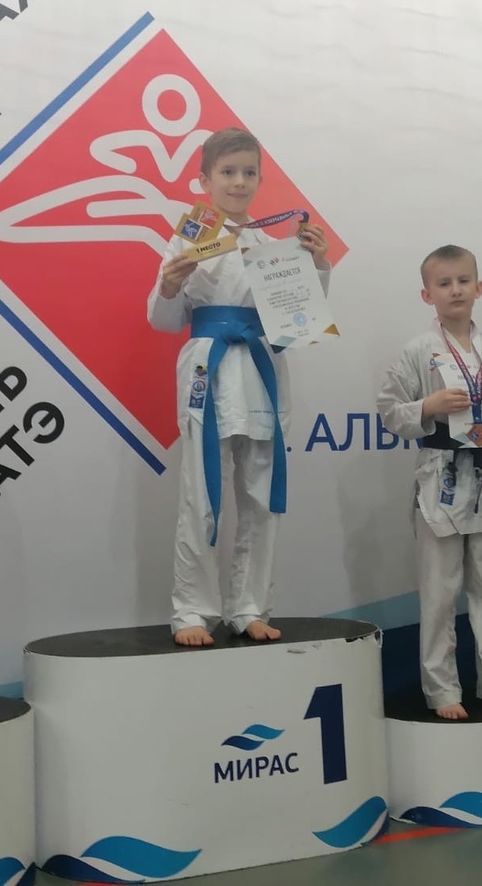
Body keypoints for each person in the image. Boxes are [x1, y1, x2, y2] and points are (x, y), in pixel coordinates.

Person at [147, 127, 330, 647]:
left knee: (261, 495)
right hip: (208, 366)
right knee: (201, 492)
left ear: (260, 179)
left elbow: (298, 324)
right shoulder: (188, 239)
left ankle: (250, 606)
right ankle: (191, 610)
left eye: (249, 172)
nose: (239, 181)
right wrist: (169, 286)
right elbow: (163, 320)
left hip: (260, 366)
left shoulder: (274, 247)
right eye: (227, 172)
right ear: (204, 180)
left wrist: (316, 266)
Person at [377, 245, 482, 720]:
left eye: (463, 281)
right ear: (427, 294)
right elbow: (389, 412)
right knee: (440, 588)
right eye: (444, 283)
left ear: (479, 287)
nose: (455, 290)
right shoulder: (417, 349)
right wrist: (427, 407)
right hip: (442, 474)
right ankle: (441, 688)